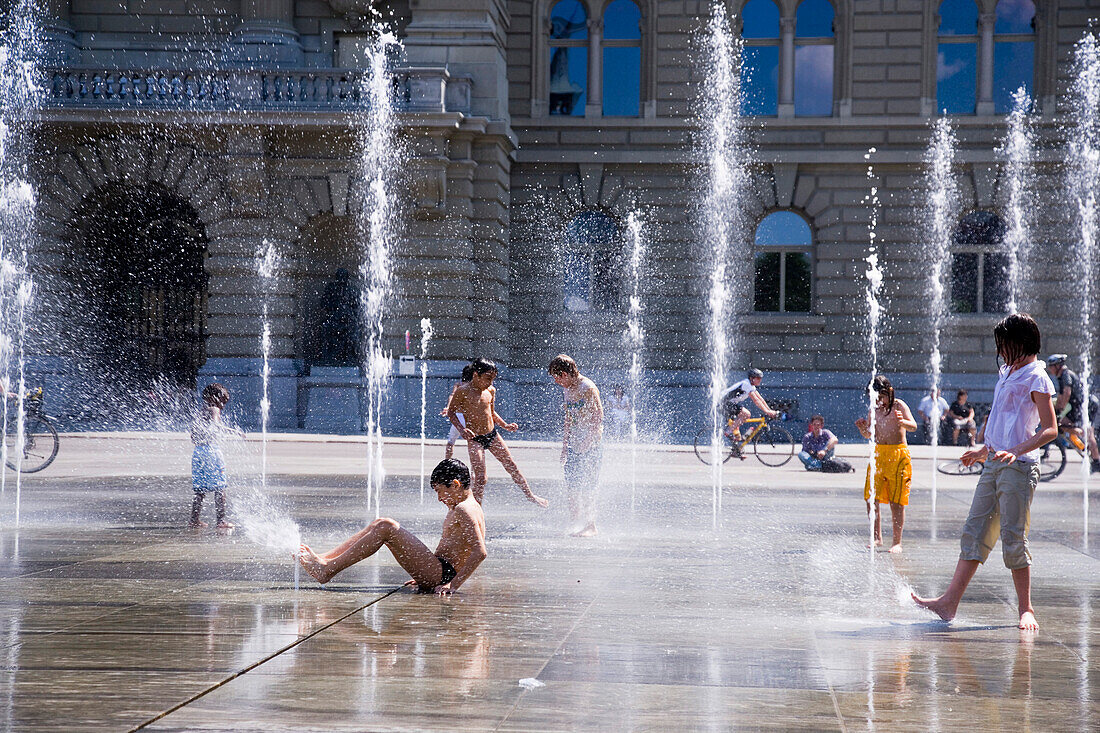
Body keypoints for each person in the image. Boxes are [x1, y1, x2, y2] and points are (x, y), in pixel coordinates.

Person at [913, 313, 1057, 631]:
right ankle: (948, 602)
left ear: (1020, 343)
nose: (1000, 350)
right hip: (993, 463)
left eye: (1004, 344)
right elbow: (1001, 416)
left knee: (1013, 537)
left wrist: (1016, 450)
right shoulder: (1007, 372)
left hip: (1019, 467)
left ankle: (1026, 609)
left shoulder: (1037, 377)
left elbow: (1050, 430)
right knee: (974, 532)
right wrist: (984, 449)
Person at [297, 459, 487, 595]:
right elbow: (452, 548)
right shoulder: (465, 505)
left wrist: (452, 585)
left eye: (440, 491)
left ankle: (326, 570)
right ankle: (325, 559)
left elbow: (480, 552)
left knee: (387, 526)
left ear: (455, 485)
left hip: (443, 574)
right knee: (380, 522)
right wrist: (423, 570)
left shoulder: (464, 509)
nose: (439, 498)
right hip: (437, 570)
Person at [446, 357, 548, 508]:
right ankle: (476, 509)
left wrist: (505, 425)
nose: (490, 383)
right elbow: (451, 413)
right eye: (487, 379)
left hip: (492, 435)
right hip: (475, 439)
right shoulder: (463, 391)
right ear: (475, 375)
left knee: (511, 465)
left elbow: (491, 413)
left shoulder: (490, 390)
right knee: (481, 477)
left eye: (493, 379)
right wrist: (462, 429)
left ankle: (530, 495)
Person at [855, 375, 916, 553]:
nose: (878, 402)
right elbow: (869, 435)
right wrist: (862, 429)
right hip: (878, 455)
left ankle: (897, 542)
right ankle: (876, 537)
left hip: (898, 456)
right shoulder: (873, 410)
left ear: (889, 392)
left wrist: (902, 421)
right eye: (874, 398)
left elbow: (913, 426)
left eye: (881, 397)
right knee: (871, 497)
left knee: (897, 502)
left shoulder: (899, 405)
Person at [549, 354, 604, 537]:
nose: (556, 382)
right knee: (572, 485)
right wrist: (565, 446)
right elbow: (569, 418)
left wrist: (586, 442)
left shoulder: (587, 388)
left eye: (557, 378)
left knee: (588, 485)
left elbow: (598, 418)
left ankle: (591, 526)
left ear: (564, 374)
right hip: (574, 444)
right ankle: (575, 523)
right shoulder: (567, 389)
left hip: (592, 444)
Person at [190, 382, 242, 529]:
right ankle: (221, 521)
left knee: (200, 490)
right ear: (214, 398)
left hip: (198, 452)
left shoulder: (201, 411)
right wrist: (235, 432)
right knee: (220, 488)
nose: (223, 406)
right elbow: (216, 426)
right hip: (211, 451)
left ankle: (194, 519)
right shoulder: (214, 409)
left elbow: (193, 435)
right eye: (223, 401)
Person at [719, 368, 778, 441]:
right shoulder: (746, 384)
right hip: (723, 403)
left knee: (738, 436)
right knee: (746, 414)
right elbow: (756, 401)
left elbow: (761, 399)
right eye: (758, 378)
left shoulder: (751, 386)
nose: (760, 380)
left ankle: (736, 450)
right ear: (751, 378)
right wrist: (767, 412)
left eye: (761, 378)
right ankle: (728, 431)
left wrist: (770, 410)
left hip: (729, 404)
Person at [1046, 354, 1084, 445]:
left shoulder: (1066, 375)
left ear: (1057, 366)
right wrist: (1057, 410)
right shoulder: (1061, 377)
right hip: (1077, 405)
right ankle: (1082, 445)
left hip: (1084, 405)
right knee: (1061, 424)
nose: (1049, 369)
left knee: (1064, 424)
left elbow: (1067, 393)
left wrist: (1060, 410)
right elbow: (1060, 396)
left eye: (1051, 366)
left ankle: (1086, 436)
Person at [442, 363, 474, 460]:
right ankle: (474, 471)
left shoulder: (459, 385)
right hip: (470, 417)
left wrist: (447, 408)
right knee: (473, 444)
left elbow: (452, 395)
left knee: (451, 442)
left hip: (458, 416)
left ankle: (446, 463)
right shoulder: (474, 387)